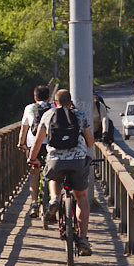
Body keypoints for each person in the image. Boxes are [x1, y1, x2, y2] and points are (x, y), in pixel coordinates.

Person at [28, 88, 95, 255]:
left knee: (52, 177)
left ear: (55, 102)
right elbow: (90, 142)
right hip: (78, 161)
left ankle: (55, 200)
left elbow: (38, 141)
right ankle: (84, 238)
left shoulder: (48, 115)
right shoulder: (79, 115)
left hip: (55, 160)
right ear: (70, 101)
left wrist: (32, 158)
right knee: (81, 197)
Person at [17, 84, 52, 217]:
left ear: (35, 97)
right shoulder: (54, 108)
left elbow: (24, 129)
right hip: (51, 145)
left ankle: (33, 204)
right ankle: (53, 199)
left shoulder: (29, 108)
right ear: (49, 97)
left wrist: (21, 144)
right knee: (53, 173)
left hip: (33, 146)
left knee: (34, 173)